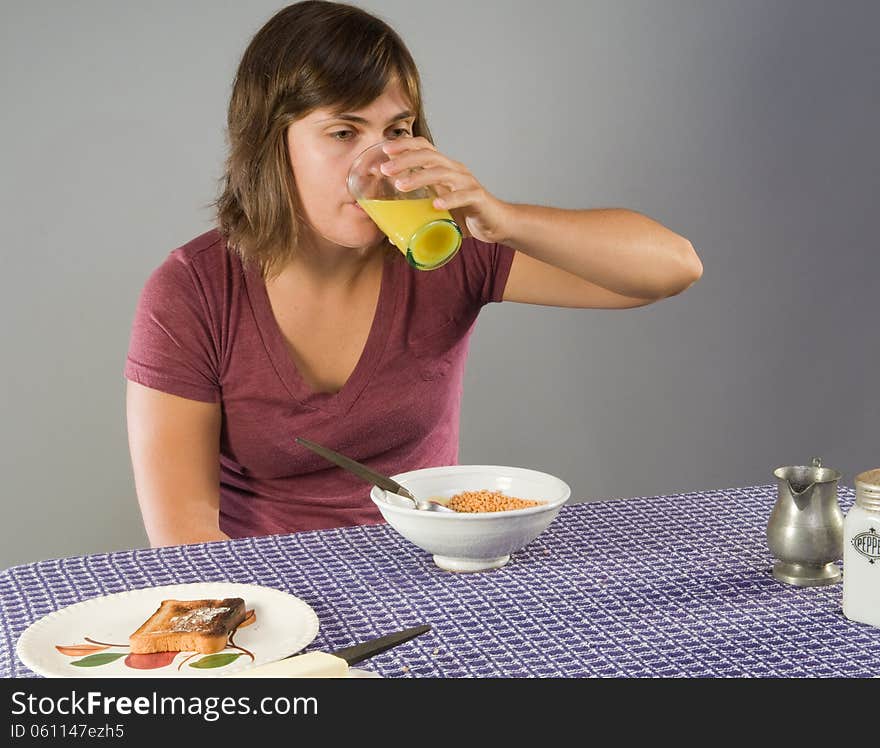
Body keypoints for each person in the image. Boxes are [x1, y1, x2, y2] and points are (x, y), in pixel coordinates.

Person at [124, 0, 703, 548]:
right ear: (272, 145)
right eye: (344, 133)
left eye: (397, 132)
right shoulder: (194, 291)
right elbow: (183, 541)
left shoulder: (446, 247)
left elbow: (672, 268)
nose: (381, 166)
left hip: (433, 577)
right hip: (262, 599)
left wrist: (501, 218)